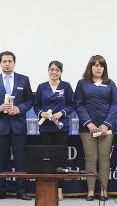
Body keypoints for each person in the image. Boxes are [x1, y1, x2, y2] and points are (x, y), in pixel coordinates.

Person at [0, 51, 33, 200]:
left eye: (9, 61)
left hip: (18, 126)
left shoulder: (24, 80)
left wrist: (19, 109)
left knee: (20, 159)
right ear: (0, 63)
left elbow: (30, 101)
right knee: (1, 159)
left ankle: (21, 190)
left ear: (14, 63)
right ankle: (0, 190)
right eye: (4, 61)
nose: (7, 64)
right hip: (1, 126)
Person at [74, 55, 117, 201]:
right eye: (96, 65)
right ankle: (91, 191)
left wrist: (106, 124)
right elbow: (78, 104)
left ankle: (104, 191)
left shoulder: (110, 84)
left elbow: (115, 104)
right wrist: (89, 123)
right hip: (88, 129)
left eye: (101, 65)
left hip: (106, 128)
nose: (98, 68)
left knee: (104, 159)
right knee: (91, 159)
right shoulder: (82, 84)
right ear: (90, 67)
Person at [33, 60, 74, 200]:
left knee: (60, 158)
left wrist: (62, 113)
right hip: (45, 128)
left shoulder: (66, 86)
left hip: (61, 129)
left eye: (57, 70)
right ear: (48, 71)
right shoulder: (41, 87)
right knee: (47, 159)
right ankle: (48, 188)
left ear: (61, 72)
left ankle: (60, 189)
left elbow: (71, 105)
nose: (54, 72)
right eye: (51, 69)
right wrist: (41, 114)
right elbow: (36, 106)